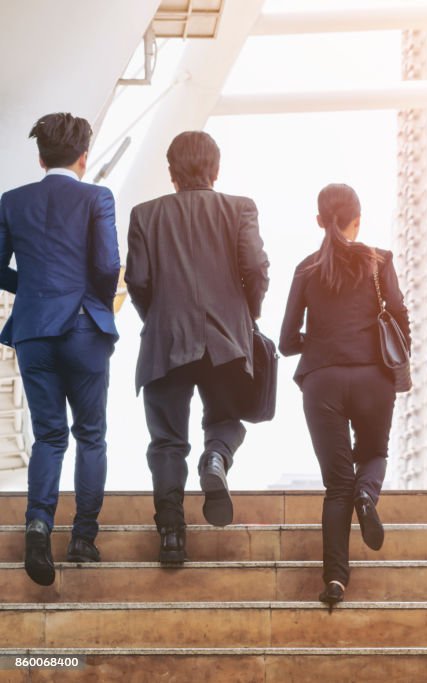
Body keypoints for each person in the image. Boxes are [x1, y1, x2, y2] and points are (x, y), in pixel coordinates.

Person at [125, 131, 269, 563]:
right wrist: (248, 313)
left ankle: (171, 534)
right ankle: (215, 458)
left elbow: (137, 281)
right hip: (226, 338)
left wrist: (159, 316)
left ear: (171, 173)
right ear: (216, 168)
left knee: (166, 441)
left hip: (165, 340)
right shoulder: (239, 208)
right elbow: (256, 267)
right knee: (226, 418)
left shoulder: (144, 215)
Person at [0, 112, 120, 586]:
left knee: (49, 437)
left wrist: (30, 288)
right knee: (90, 434)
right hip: (84, 327)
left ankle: (38, 523)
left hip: (33, 332)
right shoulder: (97, 198)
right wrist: (90, 295)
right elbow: (109, 263)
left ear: (40, 155)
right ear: (84, 156)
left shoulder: (12, 201)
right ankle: (83, 538)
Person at [279, 183, 409, 606]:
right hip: (374, 377)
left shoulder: (306, 268)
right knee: (373, 454)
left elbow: (285, 340)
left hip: (322, 381)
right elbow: (401, 317)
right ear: (358, 219)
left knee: (336, 486)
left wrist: (316, 340)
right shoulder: (379, 261)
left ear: (319, 221)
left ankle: (334, 581)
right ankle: (368, 496)